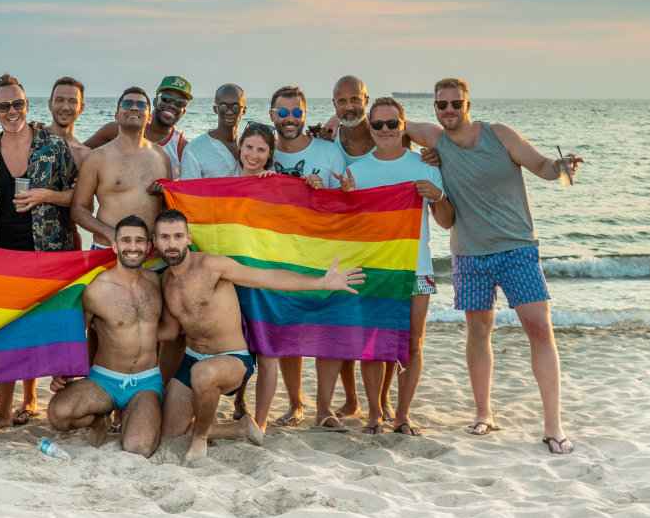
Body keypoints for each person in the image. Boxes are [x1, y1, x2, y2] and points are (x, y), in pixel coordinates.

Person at [404, 77, 582, 455]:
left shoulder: (498, 134)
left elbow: (542, 166)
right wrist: (336, 127)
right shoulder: (435, 141)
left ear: (468, 104)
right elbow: (389, 122)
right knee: (478, 331)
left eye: (456, 103)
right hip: (469, 254)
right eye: (442, 105)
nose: (449, 110)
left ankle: (554, 426)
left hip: (517, 248)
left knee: (539, 329)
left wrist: (562, 165)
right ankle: (484, 413)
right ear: (435, 108)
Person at [155, 209, 364, 463]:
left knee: (203, 374)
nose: (171, 243)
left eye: (177, 236)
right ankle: (239, 428)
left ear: (188, 238)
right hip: (192, 358)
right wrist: (114, 327)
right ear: (155, 242)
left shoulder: (211, 265)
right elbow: (170, 330)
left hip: (230, 358)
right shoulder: (166, 280)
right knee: (169, 434)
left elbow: (266, 277)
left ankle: (200, 439)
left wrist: (320, 283)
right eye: (164, 237)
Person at [0, 73, 80, 427]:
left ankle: (31, 400)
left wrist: (45, 195)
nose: (11, 111)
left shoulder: (53, 145)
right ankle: (4, 409)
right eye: (3, 106)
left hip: (47, 252)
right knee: (8, 333)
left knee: (36, 330)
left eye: (17, 104)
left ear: (27, 104)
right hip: (4, 253)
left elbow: (77, 198)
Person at [341, 97, 454, 435]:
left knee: (412, 343)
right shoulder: (356, 172)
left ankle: (403, 415)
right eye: (378, 125)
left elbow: (447, 222)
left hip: (415, 267)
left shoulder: (424, 167)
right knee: (373, 344)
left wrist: (437, 196)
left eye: (392, 124)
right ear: (370, 127)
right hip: (374, 269)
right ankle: (375, 413)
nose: (385, 130)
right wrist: (344, 199)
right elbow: (345, 227)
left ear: (403, 126)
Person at [265, 85, 357, 428]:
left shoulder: (329, 151)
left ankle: (324, 408)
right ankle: (295, 405)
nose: (290, 119)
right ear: (272, 115)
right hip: (279, 253)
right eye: (283, 113)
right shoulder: (264, 151)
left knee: (326, 329)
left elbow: (348, 200)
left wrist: (335, 193)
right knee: (288, 330)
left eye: (297, 113)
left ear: (306, 115)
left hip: (325, 249)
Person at [46, 215, 165, 456]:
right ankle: (98, 420)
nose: (133, 247)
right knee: (58, 414)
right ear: (114, 245)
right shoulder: (96, 289)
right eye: (126, 240)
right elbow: (73, 332)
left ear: (149, 246)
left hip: (146, 382)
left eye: (139, 241)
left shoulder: (157, 283)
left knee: (138, 447)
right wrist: (61, 370)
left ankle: (133, 416)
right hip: (104, 380)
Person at [71, 87, 170, 249]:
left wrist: (164, 195)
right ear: (116, 115)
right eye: (127, 103)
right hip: (107, 250)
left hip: (150, 252)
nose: (134, 107)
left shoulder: (162, 157)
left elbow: (169, 207)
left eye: (141, 105)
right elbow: (78, 209)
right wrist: (111, 234)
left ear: (150, 117)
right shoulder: (97, 157)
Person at [84, 75, 192, 172]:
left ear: (184, 112)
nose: (172, 106)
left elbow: (188, 187)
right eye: (166, 99)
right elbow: (77, 155)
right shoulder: (118, 129)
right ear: (155, 102)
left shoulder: (182, 148)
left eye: (180, 103)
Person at [179, 85, 245, 180]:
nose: (229, 112)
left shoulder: (250, 146)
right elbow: (187, 190)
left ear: (244, 110)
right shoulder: (194, 150)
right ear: (215, 109)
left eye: (236, 106)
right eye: (223, 106)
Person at [44, 76, 92, 166]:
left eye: (72, 101)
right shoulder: (32, 138)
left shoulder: (85, 155)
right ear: (50, 104)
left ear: (81, 108)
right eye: (59, 100)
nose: (65, 107)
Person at [331, 75, 377, 161]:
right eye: (342, 101)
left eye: (355, 99)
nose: (349, 107)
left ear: (366, 101)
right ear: (334, 104)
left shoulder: (387, 135)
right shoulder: (328, 139)